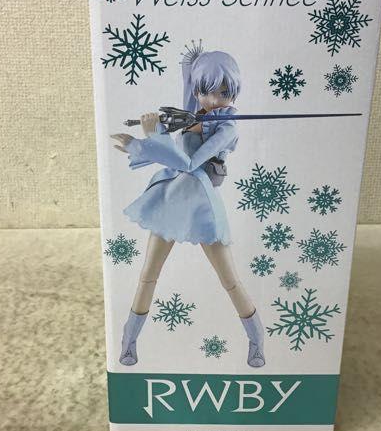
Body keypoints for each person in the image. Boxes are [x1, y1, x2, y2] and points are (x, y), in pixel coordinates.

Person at [110, 42, 265, 368]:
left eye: (223, 93)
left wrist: (148, 140)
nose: (213, 100)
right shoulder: (193, 110)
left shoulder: (227, 128)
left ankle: (256, 340)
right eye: (206, 92)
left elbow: (190, 162)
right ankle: (128, 341)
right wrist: (195, 64)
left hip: (201, 203)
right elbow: (188, 84)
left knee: (229, 280)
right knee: (148, 275)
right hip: (171, 199)